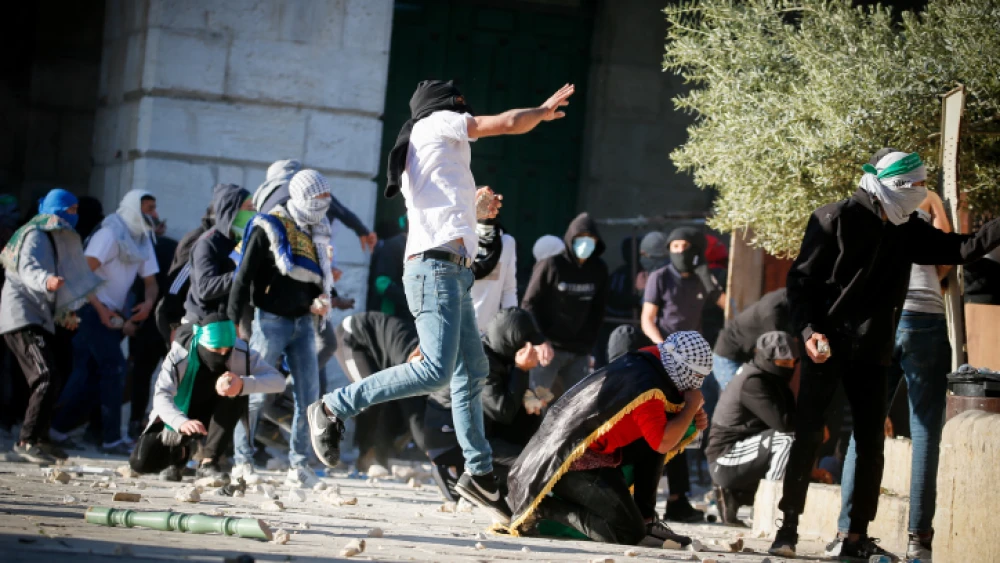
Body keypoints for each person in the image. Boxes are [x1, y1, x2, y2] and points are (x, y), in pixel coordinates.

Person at [306, 80, 576, 524]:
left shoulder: (432, 154)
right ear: (444, 107)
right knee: (436, 370)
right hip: (435, 270)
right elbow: (505, 123)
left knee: (472, 372)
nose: (464, 112)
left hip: (451, 270)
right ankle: (333, 406)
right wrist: (541, 112)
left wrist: (476, 210)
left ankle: (480, 474)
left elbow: (443, 209)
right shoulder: (435, 123)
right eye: (460, 106)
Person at [769, 149, 1000, 560]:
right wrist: (808, 332)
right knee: (809, 433)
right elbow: (801, 282)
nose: (920, 193)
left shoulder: (906, 228)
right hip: (826, 345)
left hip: (873, 348)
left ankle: (855, 538)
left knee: (870, 441)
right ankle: (787, 529)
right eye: (914, 185)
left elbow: (963, 249)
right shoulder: (834, 218)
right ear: (892, 185)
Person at [824, 192, 953, 562]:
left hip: (879, 321)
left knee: (865, 429)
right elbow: (946, 257)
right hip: (924, 317)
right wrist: (936, 202)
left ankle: (847, 534)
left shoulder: (865, 210)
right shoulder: (925, 203)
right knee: (925, 431)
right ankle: (919, 540)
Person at [504, 331, 712, 546]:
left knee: (657, 438)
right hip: (572, 462)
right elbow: (663, 442)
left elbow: (661, 433)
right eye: (696, 377)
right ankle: (546, 510)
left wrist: (689, 416)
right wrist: (690, 408)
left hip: (602, 452)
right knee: (629, 534)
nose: (697, 384)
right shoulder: (648, 386)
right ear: (679, 366)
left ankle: (647, 518)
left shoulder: (657, 360)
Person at [228, 169, 335, 488]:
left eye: (326, 196)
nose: (324, 203)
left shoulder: (316, 230)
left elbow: (313, 280)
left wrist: (319, 300)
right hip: (269, 322)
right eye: (318, 197)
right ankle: (242, 461)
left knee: (309, 398)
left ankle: (299, 466)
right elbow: (243, 277)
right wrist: (234, 324)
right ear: (301, 196)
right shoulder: (269, 226)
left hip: (304, 324)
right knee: (254, 393)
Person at [51, 190, 160, 455]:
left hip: (112, 316)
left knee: (89, 377)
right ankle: (111, 440)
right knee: (114, 369)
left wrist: (147, 304)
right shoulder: (110, 234)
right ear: (133, 208)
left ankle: (55, 430)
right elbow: (81, 274)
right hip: (91, 310)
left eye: (154, 208)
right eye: (148, 208)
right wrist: (100, 309)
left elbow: (151, 282)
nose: (154, 214)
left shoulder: (141, 239)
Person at [0, 189, 103, 463]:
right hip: (21, 316)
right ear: (57, 209)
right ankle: (27, 441)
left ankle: (40, 438)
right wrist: (46, 280)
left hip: (38, 316)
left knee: (54, 376)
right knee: (45, 375)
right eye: (70, 210)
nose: (75, 215)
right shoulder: (35, 234)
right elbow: (29, 267)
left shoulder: (52, 236)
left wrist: (64, 312)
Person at [129, 314, 284, 481]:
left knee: (236, 394)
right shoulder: (180, 353)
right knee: (141, 463)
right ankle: (179, 454)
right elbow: (161, 395)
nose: (222, 354)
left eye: (227, 350)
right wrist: (180, 422)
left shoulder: (240, 351)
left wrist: (242, 383)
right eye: (216, 350)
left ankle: (209, 462)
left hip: (217, 412)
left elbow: (278, 382)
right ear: (202, 344)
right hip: (181, 411)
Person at [638, 226, 724, 523]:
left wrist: (707, 278)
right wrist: (666, 349)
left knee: (691, 423)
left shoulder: (703, 277)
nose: (679, 252)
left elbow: (729, 306)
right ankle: (662, 498)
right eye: (673, 247)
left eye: (684, 247)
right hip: (666, 359)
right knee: (668, 423)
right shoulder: (660, 277)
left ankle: (678, 498)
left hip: (694, 364)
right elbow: (648, 319)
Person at [424, 308, 545, 499]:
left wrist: (529, 397)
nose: (529, 348)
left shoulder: (497, 352)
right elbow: (502, 411)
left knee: (529, 424)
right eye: (525, 343)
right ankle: (454, 472)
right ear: (510, 341)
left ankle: (491, 481)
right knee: (528, 461)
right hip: (449, 440)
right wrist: (521, 370)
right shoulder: (479, 361)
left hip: (478, 429)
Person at [706, 331, 797, 526]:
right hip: (725, 459)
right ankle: (770, 509)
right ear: (768, 359)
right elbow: (784, 423)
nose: (789, 368)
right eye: (783, 363)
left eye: (792, 363)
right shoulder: (753, 381)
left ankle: (747, 498)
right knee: (787, 439)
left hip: (747, 453)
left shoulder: (773, 380)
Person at [522, 212, 609, 400]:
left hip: (579, 352)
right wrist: (539, 340)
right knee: (536, 403)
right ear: (571, 238)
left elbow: (598, 309)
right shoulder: (551, 264)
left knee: (577, 405)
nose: (585, 244)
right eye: (581, 238)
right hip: (548, 349)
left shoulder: (599, 269)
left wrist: (589, 346)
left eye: (590, 239)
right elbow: (529, 304)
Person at [331, 311, 425, 475]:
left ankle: (381, 456)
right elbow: (415, 412)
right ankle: (364, 456)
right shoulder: (412, 362)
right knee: (371, 397)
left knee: (391, 402)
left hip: (378, 349)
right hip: (351, 336)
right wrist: (436, 452)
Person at [184, 184, 253, 323]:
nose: (254, 213)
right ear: (232, 211)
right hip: (204, 323)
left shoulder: (243, 240)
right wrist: (242, 274)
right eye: (249, 208)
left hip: (229, 321)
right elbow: (205, 288)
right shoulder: (208, 244)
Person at [711, 288, 791, 393]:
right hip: (728, 356)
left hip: (745, 355)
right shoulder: (772, 313)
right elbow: (776, 355)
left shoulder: (782, 296)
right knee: (741, 397)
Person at [155, 202, 215, 343]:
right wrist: (175, 326)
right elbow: (176, 285)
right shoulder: (200, 241)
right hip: (178, 317)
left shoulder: (223, 240)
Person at [470, 195, 517, 333]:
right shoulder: (459, 240)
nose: (487, 212)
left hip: (488, 333)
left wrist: (511, 327)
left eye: (491, 207)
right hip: (456, 330)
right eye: (482, 206)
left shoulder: (506, 243)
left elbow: (509, 290)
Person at [595, 237, 643, 369]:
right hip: (614, 322)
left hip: (628, 323)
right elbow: (612, 298)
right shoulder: (620, 275)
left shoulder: (639, 273)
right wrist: (637, 299)